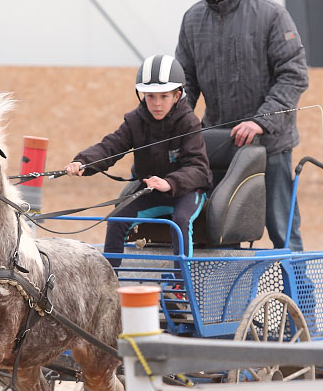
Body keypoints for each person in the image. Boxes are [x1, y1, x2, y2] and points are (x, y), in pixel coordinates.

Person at [176, 0, 310, 251]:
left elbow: (294, 75)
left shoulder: (272, 16)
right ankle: (228, 299)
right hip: (220, 144)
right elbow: (187, 82)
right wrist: (177, 127)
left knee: (282, 230)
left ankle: (300, 299)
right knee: (219, 227)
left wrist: (260, 122)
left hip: (271, 145)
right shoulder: (193, 20)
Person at [65, 54, 212, 267]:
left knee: (181, 223)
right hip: (151, 192)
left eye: (164, 97)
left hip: (187, 191)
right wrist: (83, 162)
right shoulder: (135, 120)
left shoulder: (189, 122)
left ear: (177, 95)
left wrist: (170, 182)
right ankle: (110, 286)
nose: (157, 104)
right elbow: (111, 146)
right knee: (116, 220)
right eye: (150, 96)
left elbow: (198, 168)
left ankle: (180, 287)